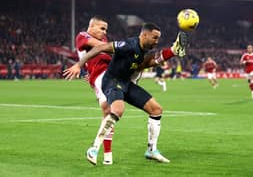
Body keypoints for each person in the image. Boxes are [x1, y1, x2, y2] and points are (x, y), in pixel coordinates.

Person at [63, 23, 187, 165]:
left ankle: (151, 150)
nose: (157, 41)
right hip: (112, 81)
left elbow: (145, 64)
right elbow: (99, 47)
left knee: (156, 110)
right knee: (117, 110)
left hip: (126, 83)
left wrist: (172, 52)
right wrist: (79, 65)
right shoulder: (128, 45)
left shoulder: (142, 51)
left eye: (158, 38)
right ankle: (94, 148)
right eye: (155, 38)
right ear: (144, 35)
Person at [75, 16, 114, 165]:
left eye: (106, 30)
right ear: (91, 27)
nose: (104, 32)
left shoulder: (104, 42)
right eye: (102, 28)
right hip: (99, 76)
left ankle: (107, 155)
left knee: (109, 113)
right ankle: (97, 150)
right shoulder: (83, 35)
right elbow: (102, 47)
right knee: (109, 111)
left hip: (106, 76)